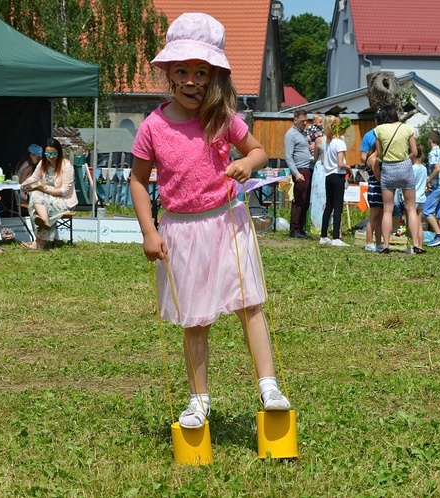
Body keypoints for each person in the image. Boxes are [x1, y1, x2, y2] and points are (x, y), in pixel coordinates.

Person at [128, 13, 290, 430]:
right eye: (181, 71)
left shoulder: (221, 117)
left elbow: (259, 152)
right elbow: (138, 181)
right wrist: (149, 230)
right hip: (181, 231)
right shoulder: (153, 127)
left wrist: (245, 165)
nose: (191, 81)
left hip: (227, 223)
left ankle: (269, 386)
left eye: (201, 72)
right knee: (194, 319)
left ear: (214, 74)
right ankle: (198, 400)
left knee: (249, 305)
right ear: (168, 73)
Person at [369, 104, 424, 254]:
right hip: (405, 168)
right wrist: (405, 158)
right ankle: (417, 245)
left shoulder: (379, 130)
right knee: (411, 208)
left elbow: (379, 154)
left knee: (387, 210)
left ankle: (386, 245)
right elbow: (414, 151)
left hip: (388, 169)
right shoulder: (407, 128)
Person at [20, 138, 77, 250]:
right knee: (35, 195)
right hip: (45, 197)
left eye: (53, 153)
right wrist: (25, 184)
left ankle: (39, 241)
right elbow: (34, 178)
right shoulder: (43, 163)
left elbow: (64, 191)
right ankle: (43, 221)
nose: (50, 156)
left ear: (59, 152)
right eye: (47, 153)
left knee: (36, 203)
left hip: (63, 200)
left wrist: (44, 190)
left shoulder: (66, 166)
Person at [317, 115, 351, 247]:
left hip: (328, 175)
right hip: (338, 175)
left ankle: (324, 235)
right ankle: (336, 237)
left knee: (329, 205)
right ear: (340, 129)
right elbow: (341, 163)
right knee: (338, 207)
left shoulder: (328, 141)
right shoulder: (340, 143)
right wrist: (349, 168)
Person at [284, 109, 314, 238]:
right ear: (295, 120)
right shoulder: (291, 135)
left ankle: (301, 228)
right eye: (303, 121)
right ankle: (294, 228)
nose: (305, 123)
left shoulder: (303, 133)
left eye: (306, 120)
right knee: (299, 200)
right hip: (300, 170)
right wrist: (295, 173)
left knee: (306, 200)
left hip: (307, 168)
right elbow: (288, 156)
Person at [359, 112, 383, 252]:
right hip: (375, 188)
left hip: (378, 189)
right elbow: (378, 176)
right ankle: (369, 242)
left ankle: (379, 242)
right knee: (374, 216)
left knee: (380, 217)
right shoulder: (372, 160)